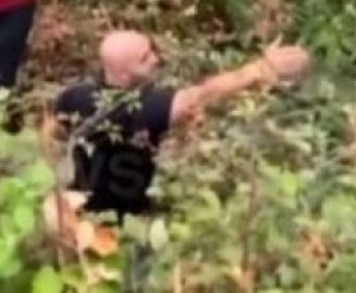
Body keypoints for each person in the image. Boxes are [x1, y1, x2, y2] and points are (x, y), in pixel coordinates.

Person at [52, 30, 311, 223]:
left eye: (151, 50)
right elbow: (202, 95)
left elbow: (50, 136)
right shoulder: (147, 107)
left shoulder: (73, 96)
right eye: (145, 58)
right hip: (127, 220)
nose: (156, 58)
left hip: (76, 213)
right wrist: (259, 69)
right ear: (123, 75)